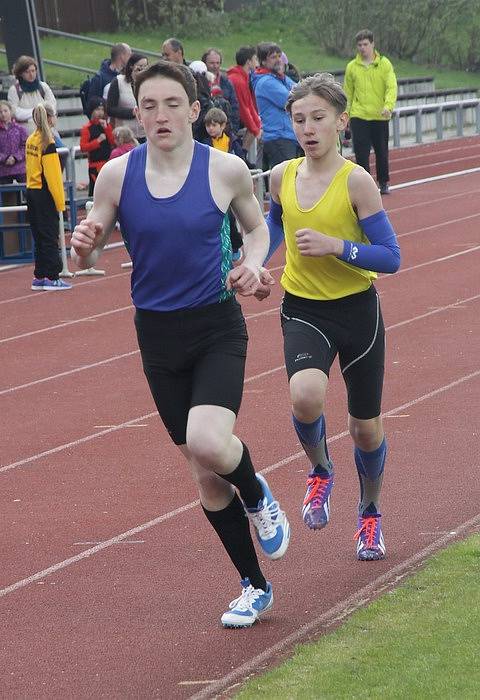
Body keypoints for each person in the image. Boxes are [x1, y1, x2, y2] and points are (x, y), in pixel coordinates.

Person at [69, 61, 290, 627]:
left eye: (172, 104)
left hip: (216, 324)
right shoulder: (117, 175)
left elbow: (259, 228)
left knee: (208, 440)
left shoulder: (226, 169)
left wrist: (251, 263)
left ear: (194, 110)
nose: (160, 115)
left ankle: (258, 493)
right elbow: (89, 254)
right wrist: (82, 246)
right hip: (157, 333)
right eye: (148, 105)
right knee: (203, 470)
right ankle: (254, 585)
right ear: (136, 113)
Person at [261, 73, 400, 560]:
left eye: (318, 118)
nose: (308, 128)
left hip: (357, 311)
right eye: (299, 119)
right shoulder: (281, 176)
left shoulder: (356, 181)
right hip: (303, 307)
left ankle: (369, 512)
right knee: (305, 396)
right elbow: (275, 223)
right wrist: (258, 262)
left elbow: (390, 256)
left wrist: (337, 247)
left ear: (341, 121)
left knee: (365, 428)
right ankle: (320, 469)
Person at [344, 29, 397, 195]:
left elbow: (391, 86)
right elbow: (348, 92)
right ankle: (365, 184)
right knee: (361, 153)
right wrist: (346, 114)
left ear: (372, 44)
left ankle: (383, 182)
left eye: (365, 44)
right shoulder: (352, 67)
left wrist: (388, 106)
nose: (362, 48)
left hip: (379, 115)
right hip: (359, 115)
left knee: (381, 151)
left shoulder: (384, 64)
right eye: (359, 45)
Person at [26, 103, 71, 291]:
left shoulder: (31, 139)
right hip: (44, 193)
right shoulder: (48, 142)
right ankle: (53, 276)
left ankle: (41, 274)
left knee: (39, 234)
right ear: (50, 118)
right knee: (50, 234)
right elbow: (53, 177)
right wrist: (61, 203)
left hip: (31, 190)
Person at [251, 42, 301, 170]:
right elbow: (291, 99)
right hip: (279, 138)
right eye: (273, 57)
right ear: (263, 61)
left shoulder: (280, 78)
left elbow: (302, 89)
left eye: (279, 56)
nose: (279, 60)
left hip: (287, 136)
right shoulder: (266, 82)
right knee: (287, 179)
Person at [204, 106, 245, 261]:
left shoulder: (232, 141)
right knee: (220, 217)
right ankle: (220, 248)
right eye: (208, 125)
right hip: (214, 185)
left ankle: (235, 246)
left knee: (234, 217)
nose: (211, 129)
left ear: (223, 125)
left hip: (231, 184)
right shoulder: (205, 143)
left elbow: (240, 159)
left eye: (214, 125)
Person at [7, 55, 56, 134]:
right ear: (20, 73)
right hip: (26, 134)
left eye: (33, 71)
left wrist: (29, 113)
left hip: (47, 131)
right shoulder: (14, 90)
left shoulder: (43, 87)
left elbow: (52, 107)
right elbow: (16, 113)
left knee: (62, 146)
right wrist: (39, 111)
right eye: (27, 72)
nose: (31, 74)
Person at [227, 46, 262, 154]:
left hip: (239, 119)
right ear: (248, 62)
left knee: (255, 127)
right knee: (252, 129)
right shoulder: (238, 80)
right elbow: (243, 108)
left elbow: (249, 105)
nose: (257, 62)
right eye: (255, 59)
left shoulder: (243, 78)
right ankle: (242, 154)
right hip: (233, 121)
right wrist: (256, 130)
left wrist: (258, 125)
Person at [106, 53, 148, 142]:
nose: (143, 70)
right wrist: (131, 112)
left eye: (146, 67)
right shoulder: (118, 81)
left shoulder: (148, 83)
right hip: (125, 136)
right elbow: (110, 109)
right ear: (131, 67)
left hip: (145, 133)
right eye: (140, 67)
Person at [80, 97, 115, 196]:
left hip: (108, 163)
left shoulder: (106, 126)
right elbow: (83, 147)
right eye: (97, 109)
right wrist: (97, 141)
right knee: (96, 193)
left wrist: (107, 128)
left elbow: (113, 142)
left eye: (102, 109)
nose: (100, 112)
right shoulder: (86, 128)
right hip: (95, 166)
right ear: (91, 111)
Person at [202, 48, 240, 134]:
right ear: (204, 63)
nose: (215, 66)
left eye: (217, 63)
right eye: (211, 63)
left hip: (225, 131)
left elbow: (234, 106)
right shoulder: (200, 82)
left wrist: (233, 130)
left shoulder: (226, 82)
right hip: (205, 131)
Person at [0, 100, 27, 183]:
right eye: (0, 112)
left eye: (5, 111)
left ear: (10, 112)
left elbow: (25, 146)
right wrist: (5, 158)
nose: (3, 114)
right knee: (8, 194)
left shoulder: (20, 129)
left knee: (27, 192)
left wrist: (15, 157)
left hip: (20, 169)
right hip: (3, 170)